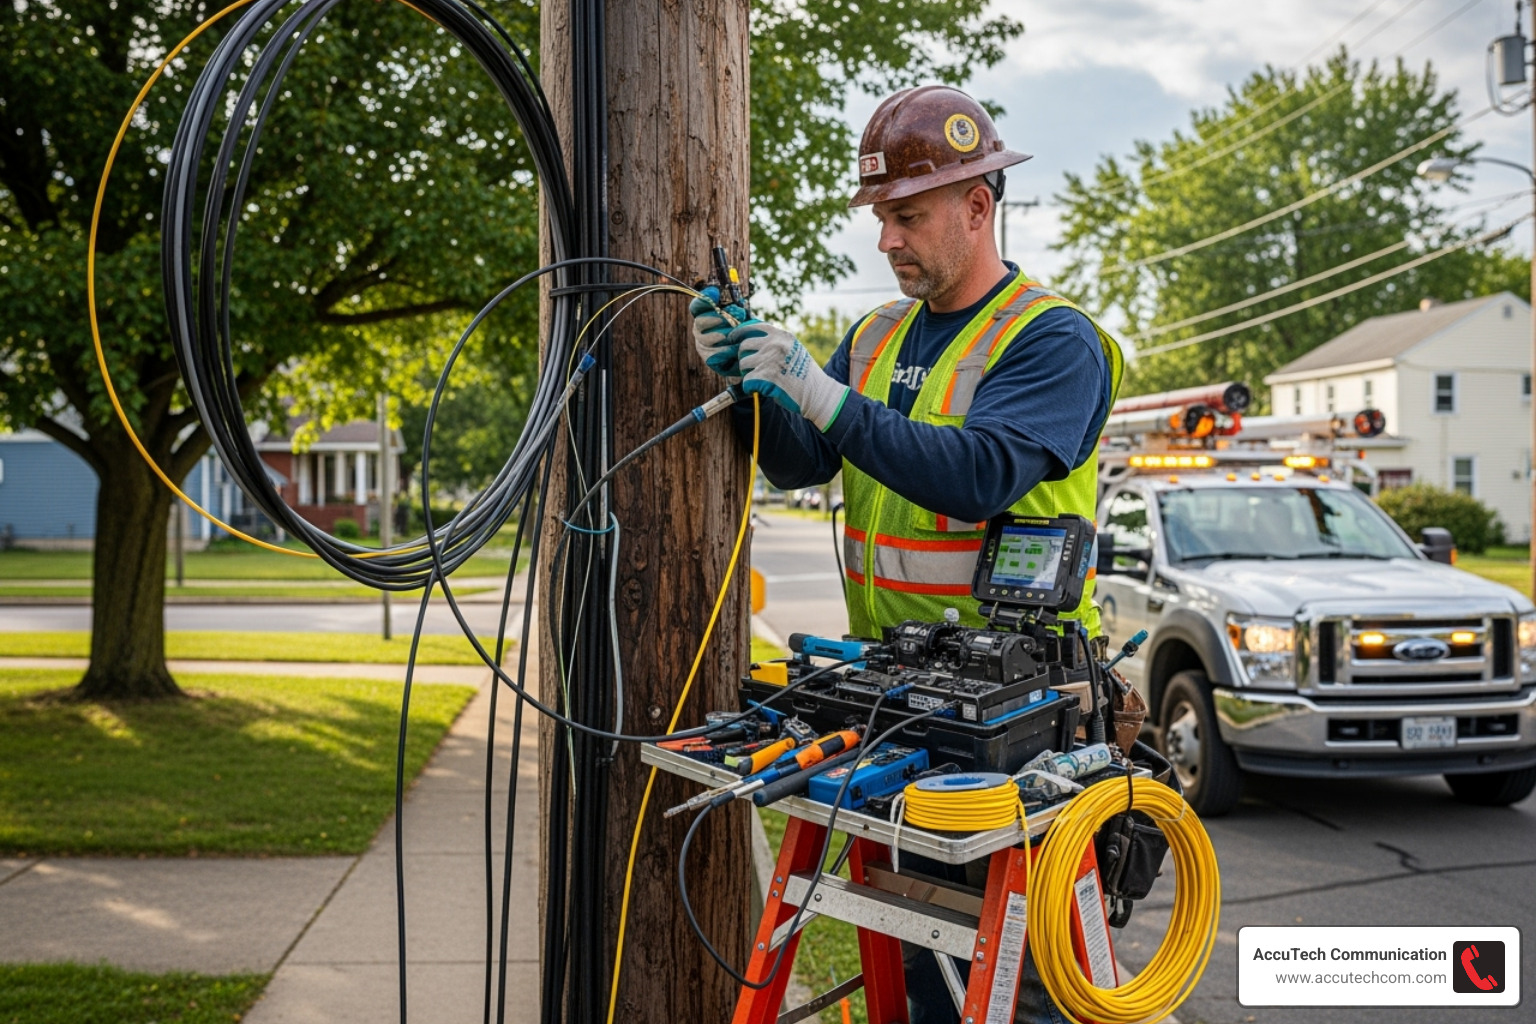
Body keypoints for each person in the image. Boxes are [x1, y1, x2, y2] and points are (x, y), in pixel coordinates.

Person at [690, 85, 1124, 1023]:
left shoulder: (1054, 340)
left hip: (1022, 718)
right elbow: (806, 459)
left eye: (908, 216)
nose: (887, 240)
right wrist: (753, 378)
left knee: (1026, 990)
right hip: (898, 703)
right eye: (881, 218)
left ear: (978, 206)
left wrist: (820, 389)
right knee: (929, 975)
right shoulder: (878, 335)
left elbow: (980, 473)